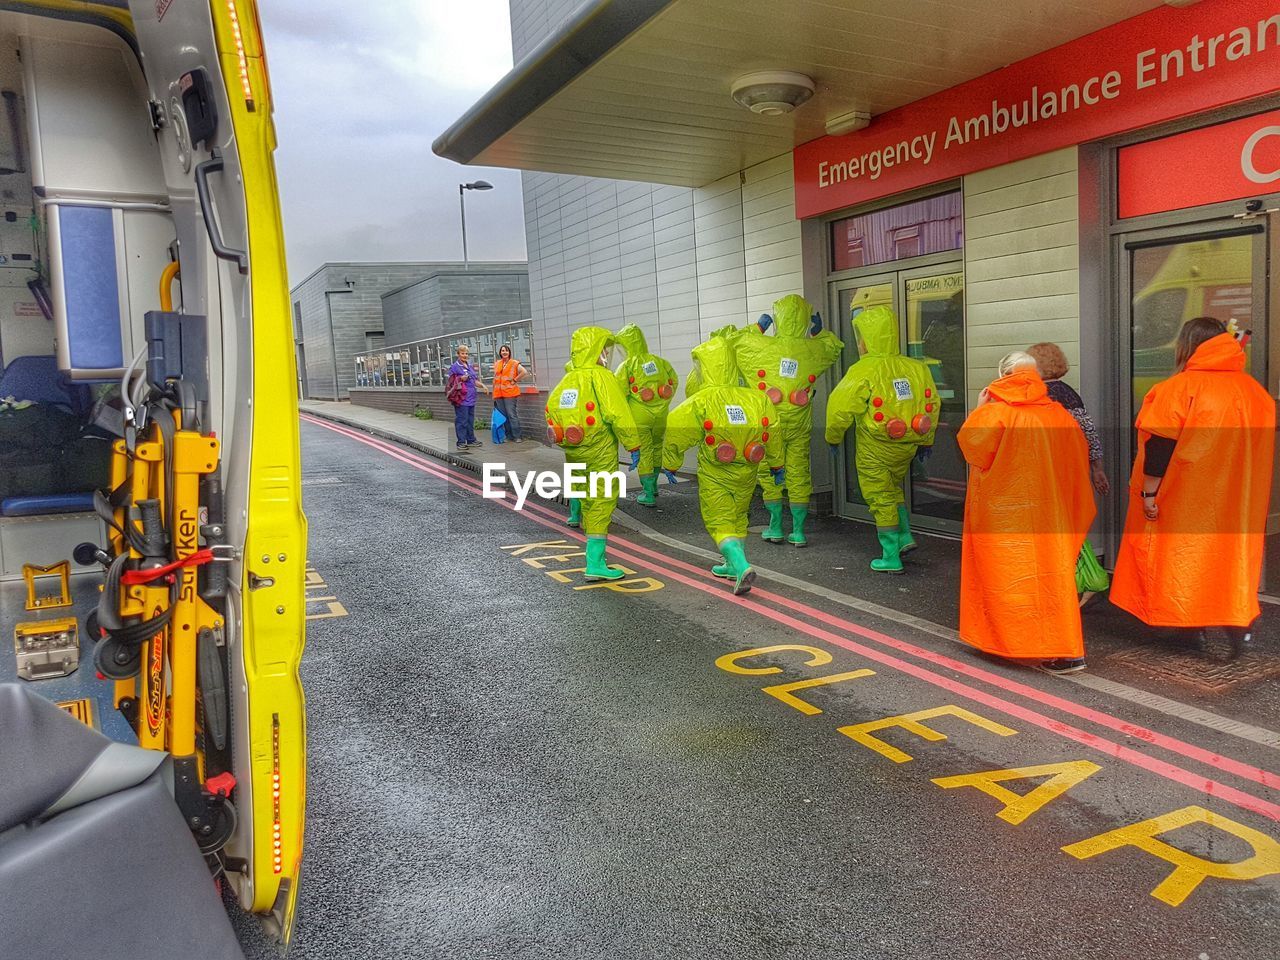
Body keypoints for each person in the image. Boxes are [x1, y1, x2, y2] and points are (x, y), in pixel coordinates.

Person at [1110, 317, 1275, 659]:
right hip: (1238, 499)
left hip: (1187, 496)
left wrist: (1149, 495)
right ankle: (1236, 626)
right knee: (1227, 562)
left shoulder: (1179, 388)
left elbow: (1160, 448)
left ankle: (1190, 628)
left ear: (1187, 346)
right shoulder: (1254, 392)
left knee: (1183, 560)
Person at [957, 351, 1095, 674]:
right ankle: (1065, 651)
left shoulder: (997, 413)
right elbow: (1076, 462)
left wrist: (980, 408)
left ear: (1003, 376)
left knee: (1006, 580)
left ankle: (1010, 642)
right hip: (1052, 515)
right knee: (1052, 579)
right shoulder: (1059, 414)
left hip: (1004, 515)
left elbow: (972, 448)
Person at [662, 333, 784, 595]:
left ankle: (741, 566)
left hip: (716, 473)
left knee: (720, 521)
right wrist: (777, 463)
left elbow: (675, 430)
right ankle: (730, 564)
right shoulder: (757, 398)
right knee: (739, 516)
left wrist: (671, 463)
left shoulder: (702, 400)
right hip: (747, 472)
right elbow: (773, 431)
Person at [825, 305, 938, 573]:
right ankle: (904, 537)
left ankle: (890, 556)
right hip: (908, 444)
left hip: (875, 447)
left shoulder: (864, 369)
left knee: (879, 495)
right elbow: (931, 401)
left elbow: (839, 406)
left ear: (866, 339)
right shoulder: (916, 367)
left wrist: (833, 436)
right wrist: (927, 439)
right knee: (893, 489)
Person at [730, 294, 843, 547]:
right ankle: (799, 530)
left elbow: (733, 341)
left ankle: (775, 526)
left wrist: (759, 327)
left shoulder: (761, 348)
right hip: (798, 427)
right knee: (799, 472)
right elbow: (834, 347)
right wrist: (818, 331)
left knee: (769, 472)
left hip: (769, 427)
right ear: (804, 319)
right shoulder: (811, 350)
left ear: (779, 318)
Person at [544, 326, 642, 581]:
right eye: (605, 349)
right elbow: (618, 413)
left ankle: (593, 554)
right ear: (598, 351)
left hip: (576, 451)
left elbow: (551, 409)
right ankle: (595, 563)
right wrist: (633, 444)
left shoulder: (568, 380)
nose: (607, 354)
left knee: (585, 496)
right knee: (601, 499)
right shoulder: (602, 377)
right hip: (600, 450)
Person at [1026, 342, 1109, 496]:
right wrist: (1097, 469)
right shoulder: (1069, 392)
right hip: (1072, 463)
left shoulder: (1036, 394)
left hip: (1046, 467)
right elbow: (1089, 432)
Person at [614, 323, 678, 506]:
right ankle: (655, 485)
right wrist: (663, 402)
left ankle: (648, 492)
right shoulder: (660, 362)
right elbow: (673, 382)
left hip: (639, 415)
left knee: (645, 451)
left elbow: (619, 393)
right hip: (661, 415)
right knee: (658, 447)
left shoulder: (626, 366)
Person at [447, 345, 488, 450]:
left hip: (471, 398)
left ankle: (471, 440)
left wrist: (483, 386)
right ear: (458, 354)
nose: (465, 355)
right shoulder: (454, 367)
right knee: (462, 420)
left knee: (470, 420)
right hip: (461, 398)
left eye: (466, 353)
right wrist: (461, 378)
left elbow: (474, 381)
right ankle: (461, 442)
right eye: (462, 353)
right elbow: (451, 382)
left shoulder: (469, 366)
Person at [492, 344, 527, 443]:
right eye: (502, 350)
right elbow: (495, 379)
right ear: (500, 353)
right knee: (504, 416)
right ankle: (509, 436)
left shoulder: (514, 363)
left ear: (509, 352)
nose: (504, 352)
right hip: (499, 394)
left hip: (510, 393)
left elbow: (524, 372)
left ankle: (517, 436)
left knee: (511, 415)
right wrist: (493, 394)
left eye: (506, 350)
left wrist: (515, 380)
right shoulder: (497, 363)